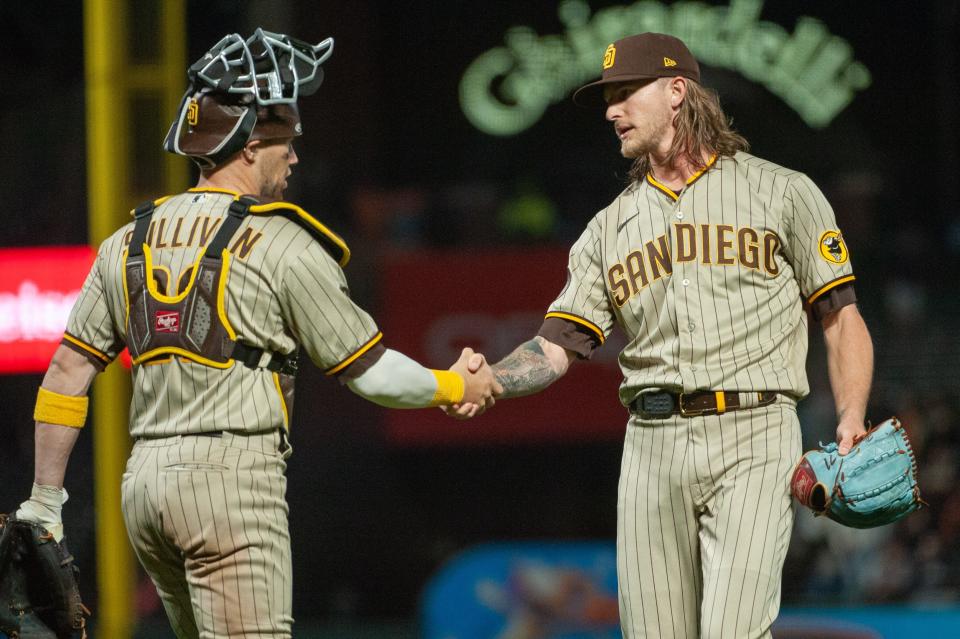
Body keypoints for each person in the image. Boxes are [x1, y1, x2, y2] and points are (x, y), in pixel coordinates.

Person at [15, 29, 497, 639]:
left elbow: (66, 374)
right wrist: (453, 383)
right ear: (245, 146)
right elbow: (371, 374)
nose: (294, 156)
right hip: (229, 481)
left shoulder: (125, 242)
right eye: (284, 141)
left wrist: (44, 500)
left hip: (144, 489)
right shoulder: (282, 241)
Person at [449, 32, 873, 638]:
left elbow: (840, 315)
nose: (611, 109)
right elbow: (556, 345)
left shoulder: (783, 192)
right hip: (651, 444)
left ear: (677, 91)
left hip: (754, 433)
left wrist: (852, 415)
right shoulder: (607, 229)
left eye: (625, 92)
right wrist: (494, 377)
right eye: (608, 97)